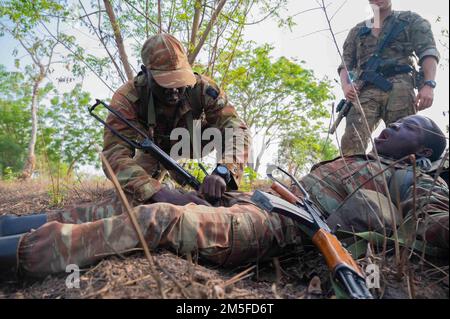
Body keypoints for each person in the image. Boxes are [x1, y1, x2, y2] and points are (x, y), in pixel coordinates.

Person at [0, 115, 448, 279]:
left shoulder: (410, 175)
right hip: (256, 202)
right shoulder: (360, 160)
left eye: (408, 127)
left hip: (282, 227)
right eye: (396, 121)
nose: (391, 126)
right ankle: (17, 224)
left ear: (423, 151)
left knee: (158, 219)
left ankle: (18, 253)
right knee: (130, 204)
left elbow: (436, 222)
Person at [102, 33, 250, 206]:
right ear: (145, 72)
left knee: (229, 132)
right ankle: (167, 183)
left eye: (179, 81)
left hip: (192, 140)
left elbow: (237, 128)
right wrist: (161, 193)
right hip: (153, 149)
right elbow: (114, 154)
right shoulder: (126, 98)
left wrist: (224, 171)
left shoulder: (202, 88)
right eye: (165, 82)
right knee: (134, 196)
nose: (173, 90)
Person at [338, 0, 440, 155]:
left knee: (402, 143)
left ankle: (395, 177)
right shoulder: (358, 30)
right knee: (351, 143)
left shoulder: (410, 20)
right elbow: (345, 65)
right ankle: (352, 177)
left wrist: (429, 85)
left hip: (400, 87)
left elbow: (428, 52)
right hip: (365, 91)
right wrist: (346, 87)